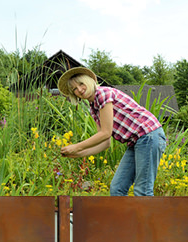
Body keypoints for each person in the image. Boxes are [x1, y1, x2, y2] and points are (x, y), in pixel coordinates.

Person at [57, 67, 166, 196]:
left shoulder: (102, 94)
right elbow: (105, 142)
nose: (80, 90)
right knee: (117, 188)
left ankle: (151, 217)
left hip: (149, 135)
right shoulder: (94, 108)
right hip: (136, 142)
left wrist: (76, 147)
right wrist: (79, 153)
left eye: (81, 84)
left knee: (143, 190)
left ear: (89, 81)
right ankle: (123, 217)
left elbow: (105, 133)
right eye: (75, 89)